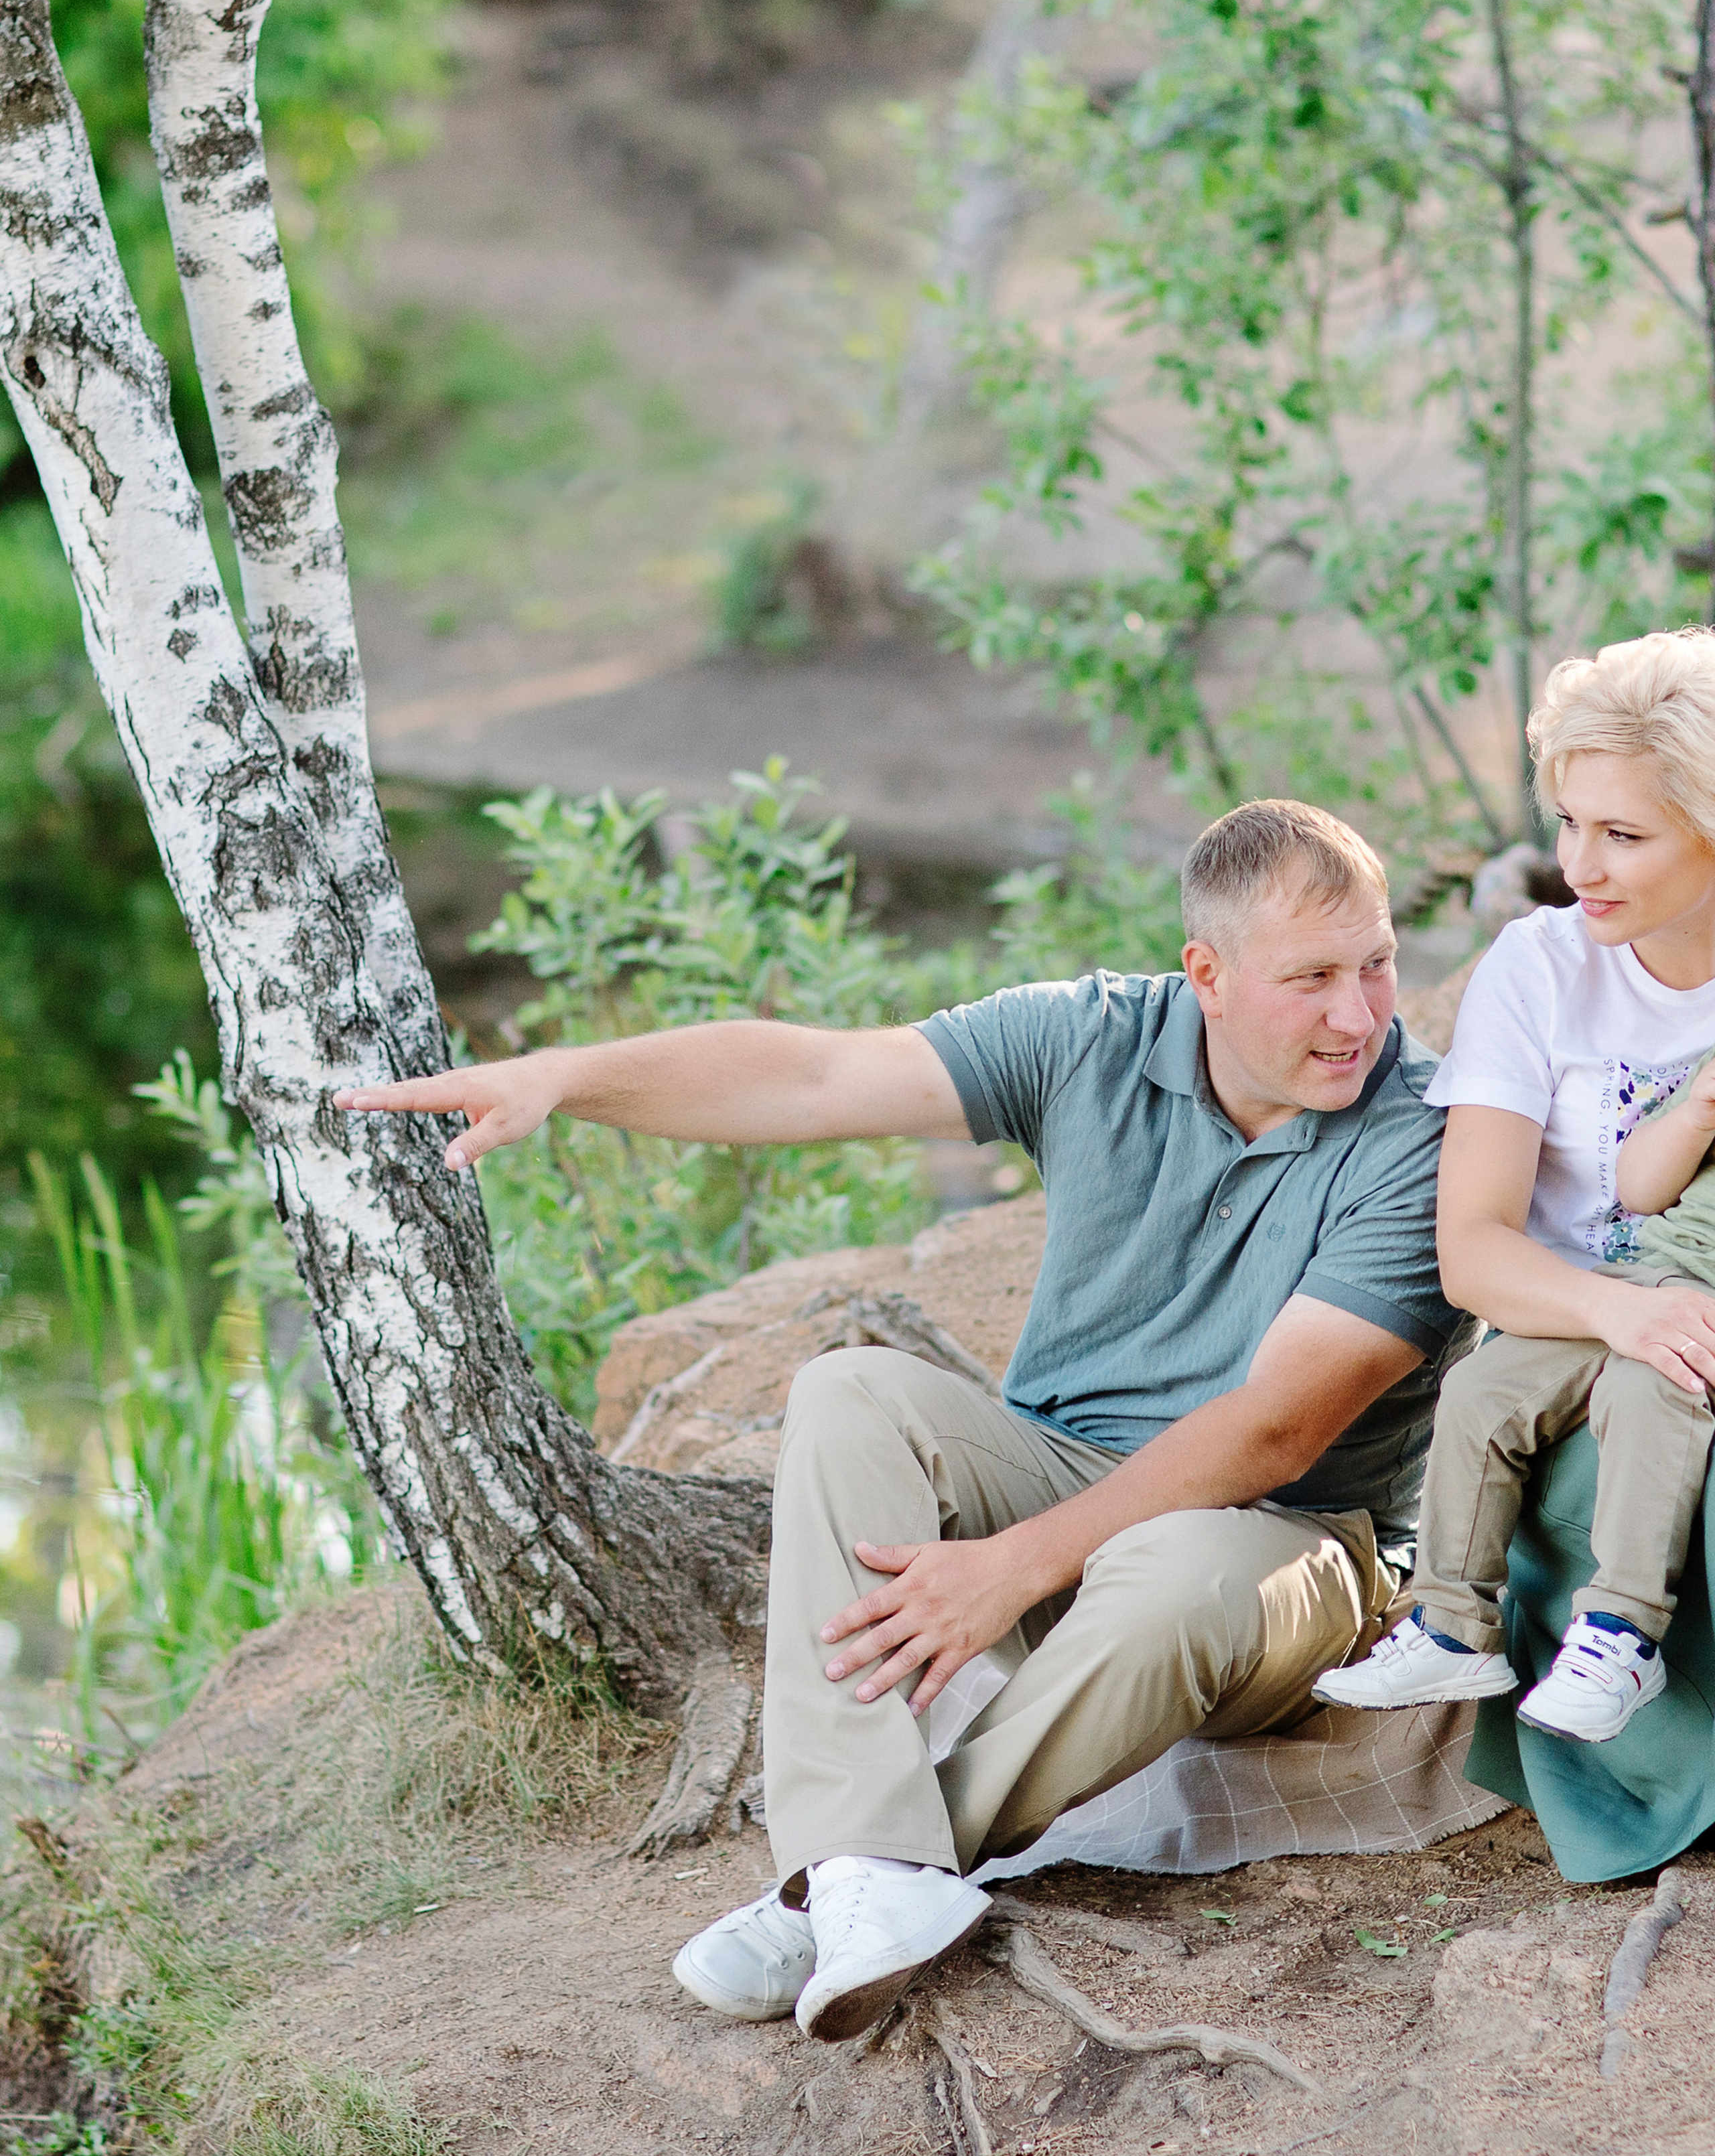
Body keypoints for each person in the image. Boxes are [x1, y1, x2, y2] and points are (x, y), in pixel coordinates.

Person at [336, 798, 1470, 2042]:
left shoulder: (1420, 1133)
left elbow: (1275, 1432)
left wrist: (1014, 1568)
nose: (1359, 1015)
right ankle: (872, 1872)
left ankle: (846, 1875)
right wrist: (565, 1077)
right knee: (849, 1390)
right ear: (1203, 974)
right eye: (1311, 978)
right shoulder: (1089, 1039)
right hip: (1060, 1467)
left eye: (1376, 965)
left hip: (1281, 1550)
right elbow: (818, 1072)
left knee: (1180, 1570)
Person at [1316, 631, 1715, 1748]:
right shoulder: (1539, 970)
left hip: (1700, 1336)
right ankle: (1462, 1635)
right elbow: (1475, 1253)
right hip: (1571, 1332)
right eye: (1569, 823)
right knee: (1516, 1402)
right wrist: (1626, 1314)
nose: (1579, 864)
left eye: (1624, 834)